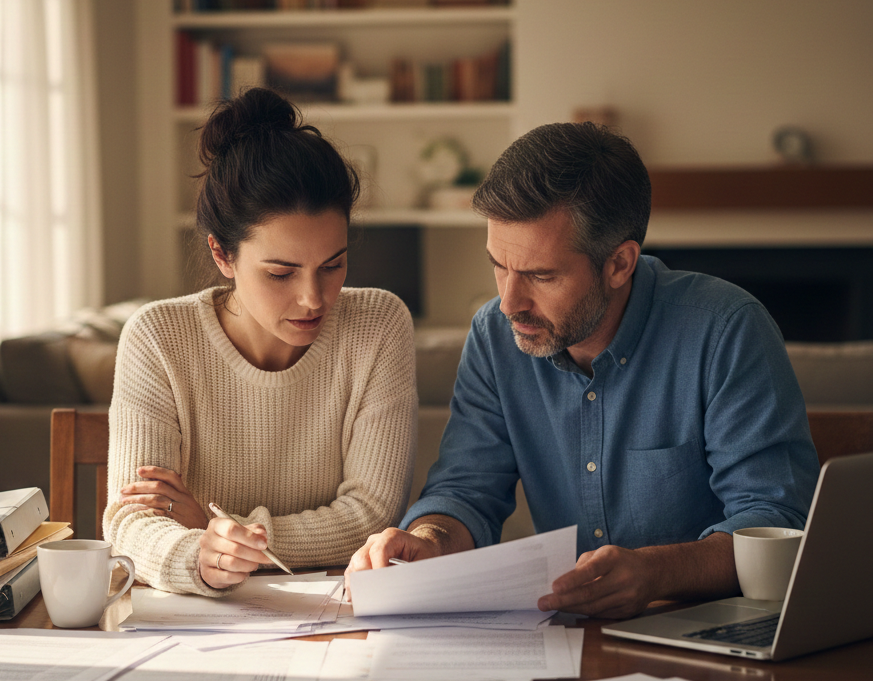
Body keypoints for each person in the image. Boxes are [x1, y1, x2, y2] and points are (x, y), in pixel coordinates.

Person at [346, 121, 819, 618]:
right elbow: (467, 490)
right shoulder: (494, 335)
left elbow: (774, 521)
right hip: (566, 634)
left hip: (705, 628)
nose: (509, 303)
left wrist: (656, 572)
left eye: (540, 275)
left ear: (619, 264)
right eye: (499, 266)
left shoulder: (726, 330)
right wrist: (428, 539)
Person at [103, 87, 416, 596]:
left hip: (336, 617)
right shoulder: (158, 337)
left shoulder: (378, 324)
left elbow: (372, 516)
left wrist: (218, 531)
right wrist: (199, 557)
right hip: (200, 624)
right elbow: (129, 522)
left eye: (332, 265)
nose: (314, 298)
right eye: (280, 273)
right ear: (223, 255)